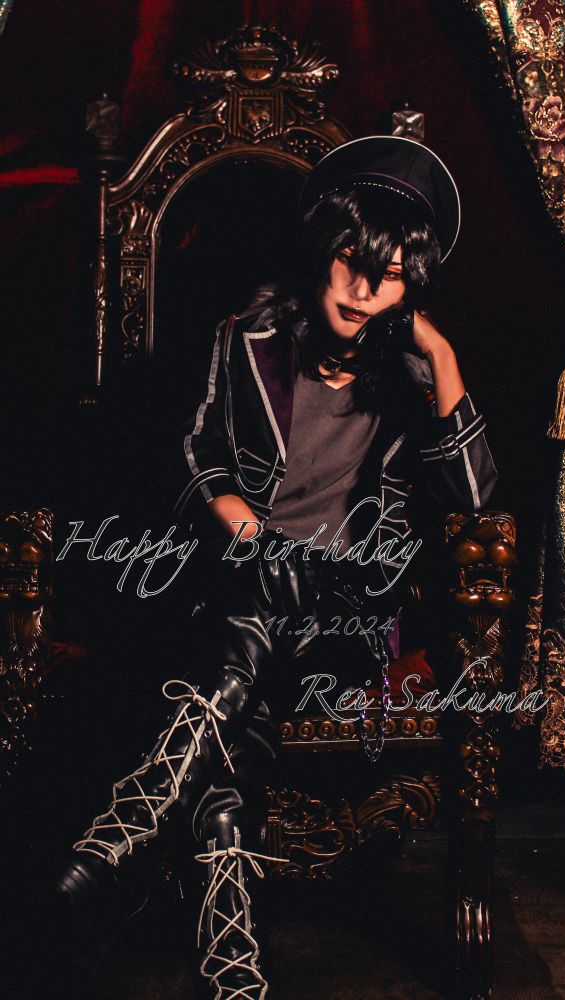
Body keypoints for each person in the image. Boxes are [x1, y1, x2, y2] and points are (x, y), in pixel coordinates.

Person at [55, 136, 498, 998]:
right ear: (323, 249)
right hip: (237, 588)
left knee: (257, 617)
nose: (364, 289)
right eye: (352, 262)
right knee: (249, 649)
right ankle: (232, 965)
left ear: (410, 289)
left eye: (391, 276)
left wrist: (441, 355)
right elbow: (196, 451)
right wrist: (237, 520)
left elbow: (475, 496)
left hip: (342, 620)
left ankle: (129, 827)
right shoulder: (248, 338)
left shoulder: (414, 373)